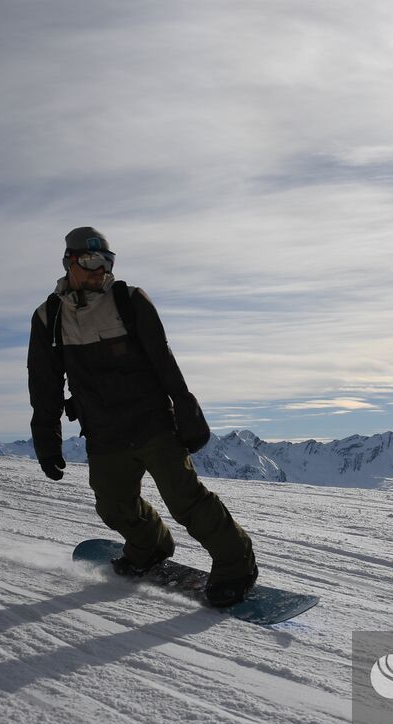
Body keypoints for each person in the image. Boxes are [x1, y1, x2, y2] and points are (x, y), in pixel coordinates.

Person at [27, 227, 259, 606]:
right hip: (103, 431)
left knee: (185, 499)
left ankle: (237, 565)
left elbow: (163, 360)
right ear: (69, 262)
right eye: (90, 262)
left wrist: (187, 409)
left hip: (151, 422)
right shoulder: (49, 318)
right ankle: (149, 546)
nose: (100, 270)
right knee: (113, 505)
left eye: (107, 261)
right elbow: (44, 383)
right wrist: (46, 437)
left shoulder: (129, 301)